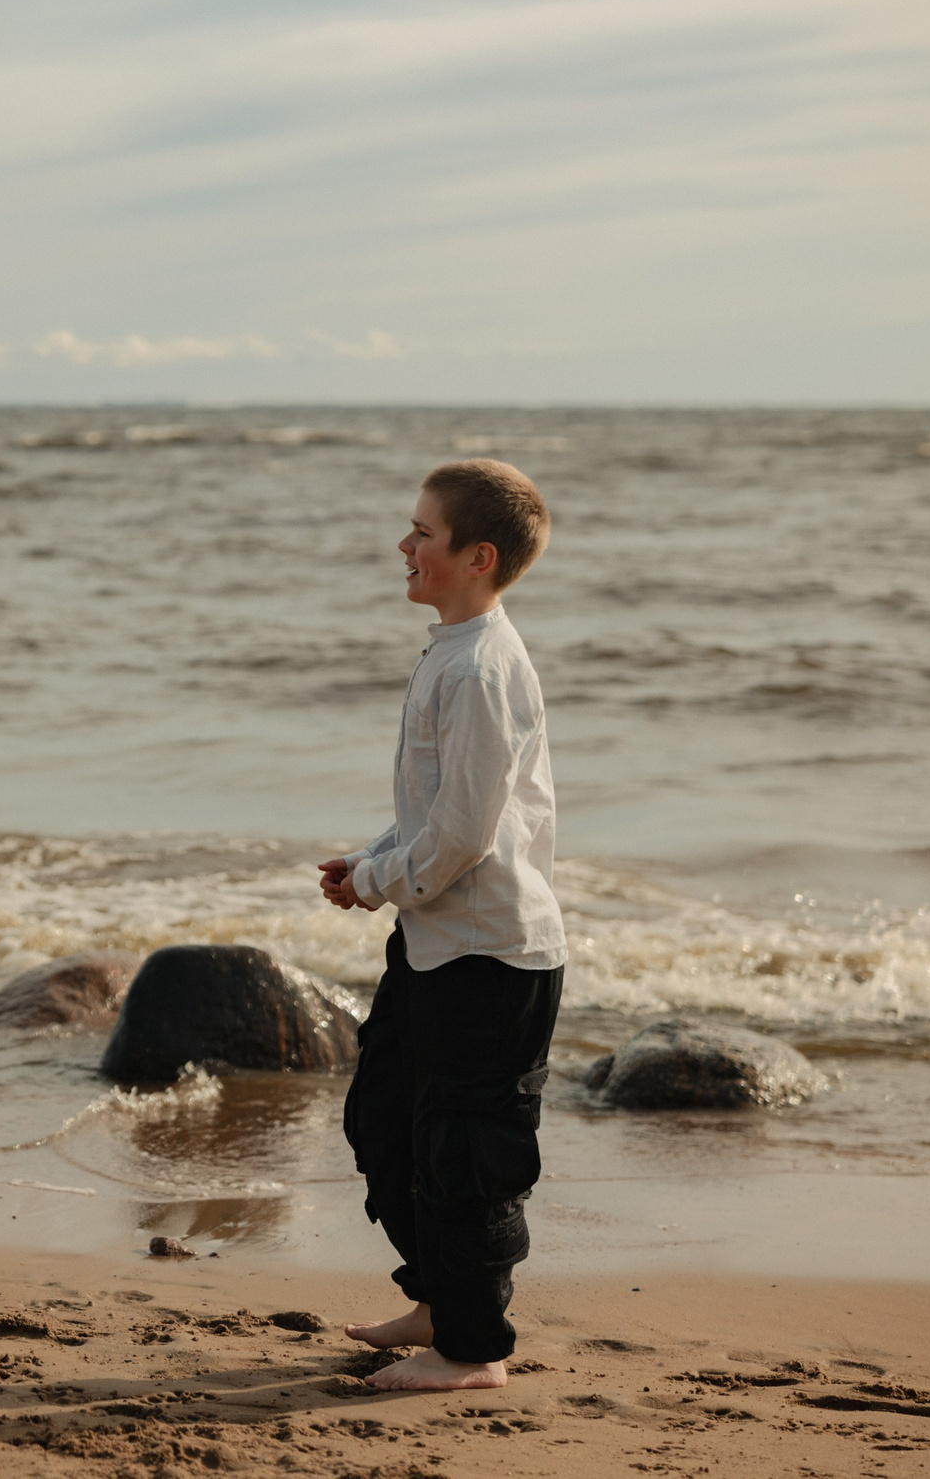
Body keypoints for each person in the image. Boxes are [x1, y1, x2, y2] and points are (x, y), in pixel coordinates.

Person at [318, 460, 564, 1393]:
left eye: (423, 532)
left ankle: (471, 1349)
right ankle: (437, 1299)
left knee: (469, 1151)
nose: (404, 544)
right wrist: (372, 859)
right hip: (438, 940)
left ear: (478, 556)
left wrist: (379, 880)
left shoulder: (483, 669)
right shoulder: (451, 650)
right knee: (385, 1117)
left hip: (493, 954)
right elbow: (438, 812)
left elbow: (462, 836)